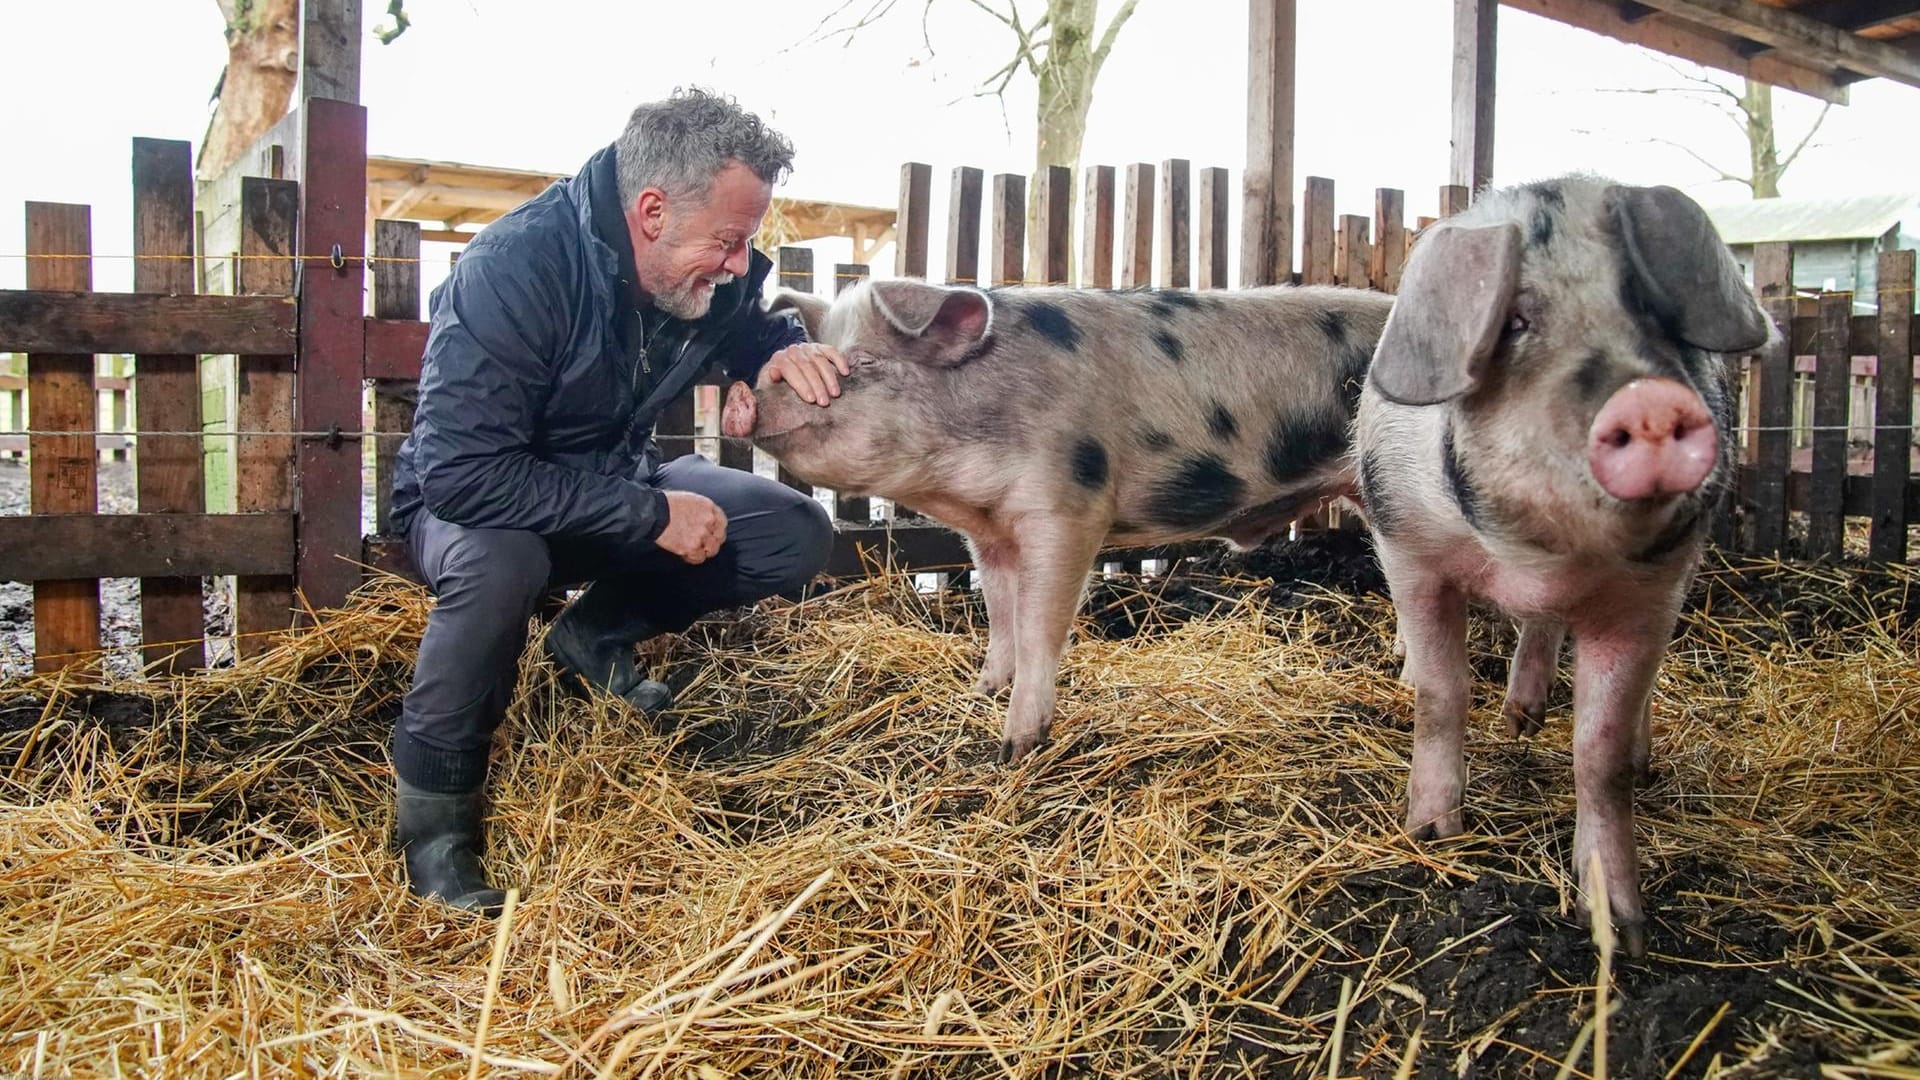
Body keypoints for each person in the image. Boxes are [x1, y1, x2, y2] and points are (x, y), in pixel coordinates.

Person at [384, 88, 850, 914]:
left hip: (613, 482)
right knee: (503, 562)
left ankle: (591, 639)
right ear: (651, 210)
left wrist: (774, 355)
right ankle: (436, 830)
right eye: (729, 241)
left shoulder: (692, 263)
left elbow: (746, 320)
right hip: (475, 507)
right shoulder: (514, 270)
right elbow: (463, 473)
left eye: (749, 243)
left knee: (790, 531)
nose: (741, 263)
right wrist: (648, 516)